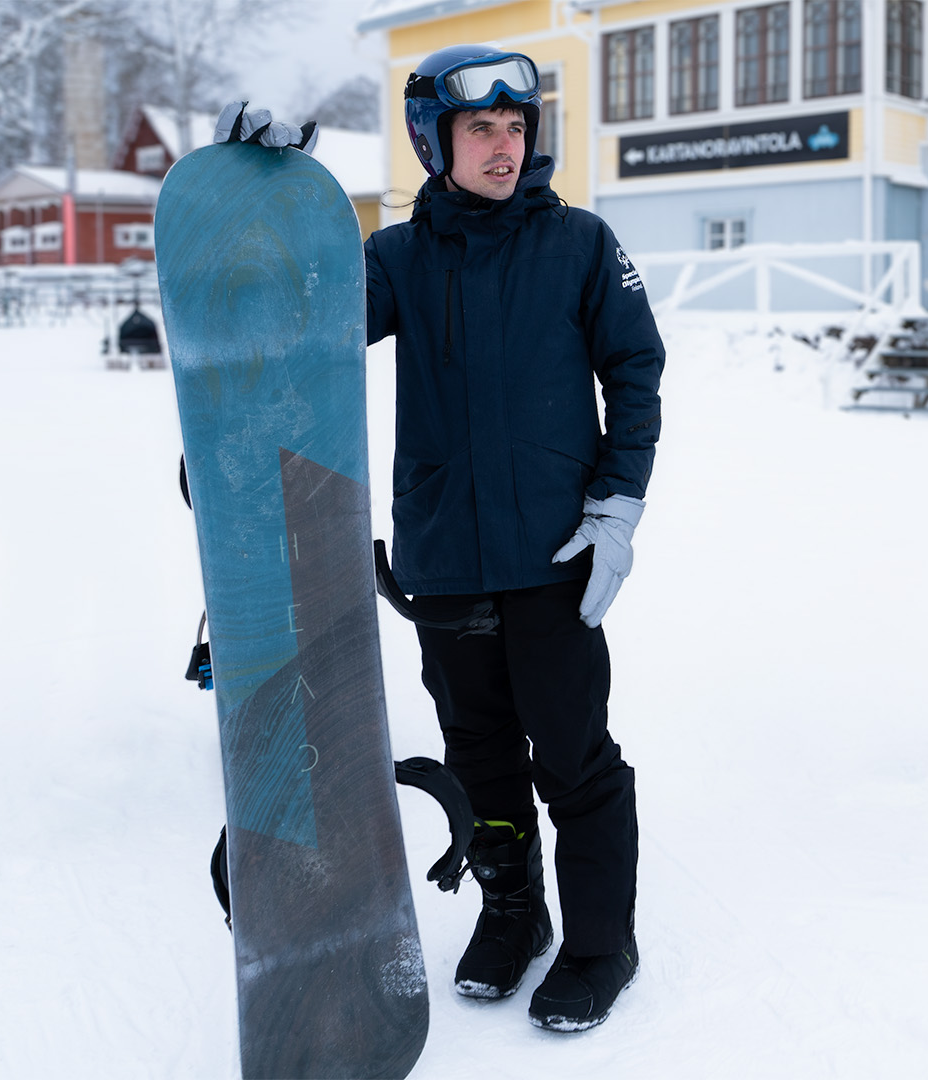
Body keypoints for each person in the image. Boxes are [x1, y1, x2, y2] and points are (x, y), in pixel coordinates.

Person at [218, 44, 663, 1032]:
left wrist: (617, 507)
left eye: (515, 128)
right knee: (479, 758)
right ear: (435, 141)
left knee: (575, 757)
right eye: (480, 129)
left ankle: (599, 943)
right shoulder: (395, 260)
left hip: (554, 561)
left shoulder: (582, 245)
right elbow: (297, 322)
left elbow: (634, 373)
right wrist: (264, 193)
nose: (504, 148)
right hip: (443, 565)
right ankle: (514, 914)